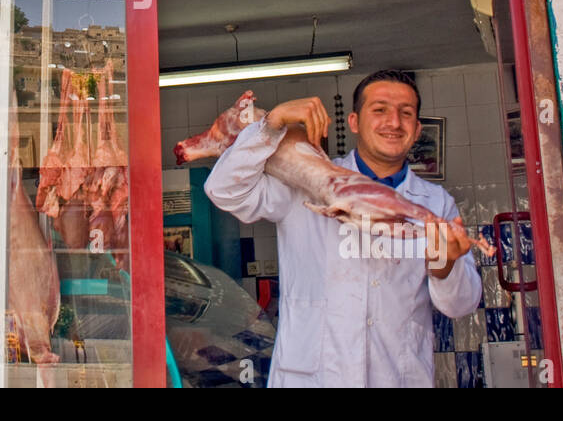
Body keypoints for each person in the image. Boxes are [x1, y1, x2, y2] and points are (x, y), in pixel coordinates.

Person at [204, 69, 481, 387]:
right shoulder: (307, 180)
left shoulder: (434, 204)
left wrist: (445, 266)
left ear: (417, 129)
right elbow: (223, 190)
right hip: (312, 378)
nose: (393, 122)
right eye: (379, 110)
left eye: (406, 114)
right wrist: (272, 124)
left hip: (397, 377)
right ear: (353, 122)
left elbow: (461, 305)